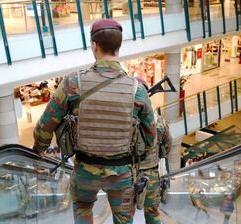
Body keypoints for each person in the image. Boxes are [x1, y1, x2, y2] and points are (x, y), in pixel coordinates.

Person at [33, 19, 157, 224]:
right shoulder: (137, 90)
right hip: (122, 173)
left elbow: (46, 124)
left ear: (94, 45)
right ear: (119, 46)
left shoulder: (73, 84)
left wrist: (40, 148)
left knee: (82, 207)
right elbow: (150, 136)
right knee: (124, 220)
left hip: (84, 170)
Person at [138, 108, 172, 223]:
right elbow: (167, 147)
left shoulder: (127, 117)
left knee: (124, 216)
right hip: (151, 174)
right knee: (152, 213)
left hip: (127, 173)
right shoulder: (160, 121)